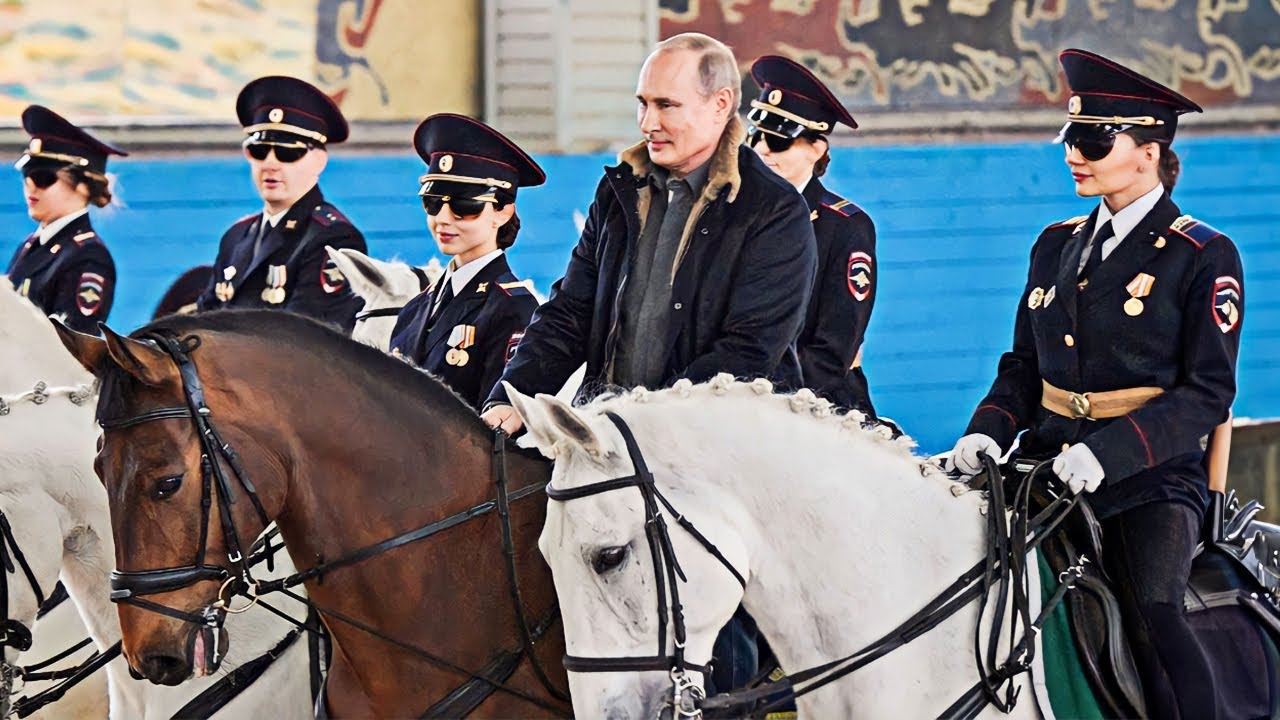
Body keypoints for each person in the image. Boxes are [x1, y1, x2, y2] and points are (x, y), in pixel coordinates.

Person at [949, 48, 1242, 719]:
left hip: (1148, 477)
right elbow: (1024, 366)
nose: (1073, 156)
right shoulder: (1055, 243)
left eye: (1093, 142)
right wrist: (986, 431)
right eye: (1070, 140)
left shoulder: (1202, 254)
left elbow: (1208, 394)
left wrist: (1107, 454)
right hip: (1045, 464)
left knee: (1156, 618)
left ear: (1149, 151)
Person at [481, 32, 817, 432]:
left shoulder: (774, 210)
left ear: (720, 104)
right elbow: (570, 312)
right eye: (643, 103)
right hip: (608, 439)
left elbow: (748, 351)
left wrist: (641, 427)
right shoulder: (618, 191)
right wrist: (513, 396)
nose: (647, 123)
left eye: (666, 105)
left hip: (719, 444)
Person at [747, 55, 879, 418]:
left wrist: (762, 397)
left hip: (820, 408)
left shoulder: (846, 227)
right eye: (756, 136)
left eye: (779, 141)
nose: (761, 149)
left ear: (816, 149)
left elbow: (832, 351)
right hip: (735, 400)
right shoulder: (734, 216)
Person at [387, 114, 542, 411]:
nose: (443, 219)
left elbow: (495, 423)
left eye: (464, 206)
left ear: (503, 212)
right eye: (433, 203)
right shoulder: (415, 307)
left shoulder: (513, 309)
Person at [195, 75, 367, 332]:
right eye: (259, 151)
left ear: (319, 161)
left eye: (288, 152)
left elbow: (305, 338)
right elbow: (203, 320)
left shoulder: (333, 238)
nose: (270, 164)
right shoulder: (236, 236)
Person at [8, 105, 126, 335]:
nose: (30, 187)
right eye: (27, 176)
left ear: (82, 186)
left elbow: (71, 343)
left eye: (43, 177)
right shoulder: (31, 245)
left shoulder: (89, 257)